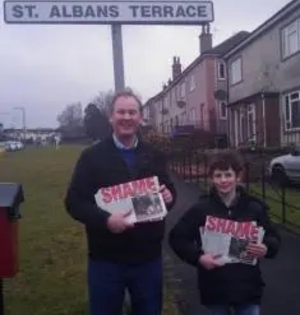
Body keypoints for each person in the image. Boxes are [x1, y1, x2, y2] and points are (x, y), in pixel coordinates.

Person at [64, 90, 177, 315]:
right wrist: (105, 220)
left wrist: (169, 197)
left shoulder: (154, 155)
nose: (127, 117)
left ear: (140, 118)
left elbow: (168, 190)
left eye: (132, 112)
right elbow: (74, 201)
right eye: (121, 112)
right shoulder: (92, 156)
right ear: (111, 117)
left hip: (147, 257)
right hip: (106, 259)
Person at [168, 151, 280, 315]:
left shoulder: (254, 208)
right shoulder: (201, 209)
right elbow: (177, 238)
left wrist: (266, 247)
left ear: (238, 176)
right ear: (211, 178)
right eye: (218, 175)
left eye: (228, 174)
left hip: (247, 287)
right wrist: (198, 257)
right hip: (215, 287)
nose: (223, 180)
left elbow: (273, 237)